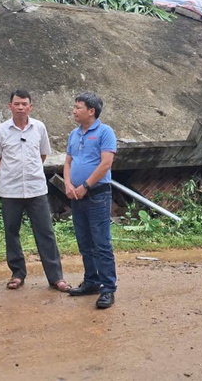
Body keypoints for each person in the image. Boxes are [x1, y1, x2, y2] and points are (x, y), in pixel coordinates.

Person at [0, 90, 70, 292]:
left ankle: (56, 277)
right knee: (11, 232)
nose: (20, 107)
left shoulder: (39, 128)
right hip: (10, 191)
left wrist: (28, 172)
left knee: (46, 233)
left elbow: (42, 154)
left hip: (36, 189)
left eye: (24, 104)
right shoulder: (0, 131)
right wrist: (10, 173)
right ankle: (17, 274)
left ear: (30, 107)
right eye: (17, 104)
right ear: (10, 106)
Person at [63, 92, 118, 309]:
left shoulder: (105, 132)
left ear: (91, 111)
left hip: (97, 195)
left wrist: (85, 186)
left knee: (101, 243)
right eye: (75, 107)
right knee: (84, 242)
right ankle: (91, 281)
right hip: (76, 196)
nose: (74, 111)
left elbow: (106, 164)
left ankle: (107, 288)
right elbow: (68, 162)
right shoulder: (74, 134)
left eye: (78, 107)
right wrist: (68, 184)